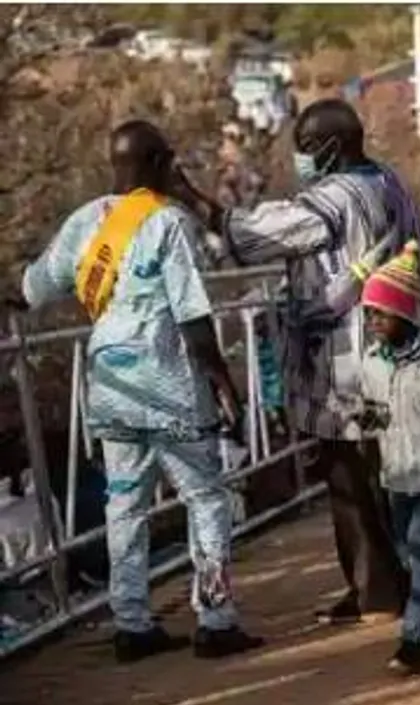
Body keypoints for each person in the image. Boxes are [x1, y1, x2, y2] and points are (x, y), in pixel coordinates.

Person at [170, 99, 420, 627]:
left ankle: (379, 590)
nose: (302, 158)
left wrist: (190, 198)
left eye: (308, 148)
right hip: (391, 346)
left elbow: (256, 235)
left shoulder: (333, 198)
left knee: (352, 476)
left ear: (332, 147)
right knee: (383, 472)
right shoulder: (388, 181)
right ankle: (391, 583)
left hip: (346, 360)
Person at [17, 121, 261, 662]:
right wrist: (223, 381)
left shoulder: (87, 221)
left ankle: (132, 623)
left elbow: (31, 289)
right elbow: (193, 314)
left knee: (124, 506)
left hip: (110, 386)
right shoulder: (171, 223)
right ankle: (216, 620)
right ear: (157, 163)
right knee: (206, 498)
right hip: (170, 386)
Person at [356, 242, 420, 674]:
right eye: (369, 315)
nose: (373, 323)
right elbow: (373, 414)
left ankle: (412, 640)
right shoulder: (371, 363)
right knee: (407, 554)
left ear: (402, 313)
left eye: (380, 314)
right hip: (395, 472)